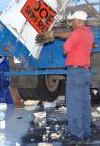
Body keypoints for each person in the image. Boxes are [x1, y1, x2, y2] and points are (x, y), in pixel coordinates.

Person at [36, 11, 94, 141]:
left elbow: (65, 49)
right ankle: (86, 134)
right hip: (85, 72)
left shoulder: (76, 33)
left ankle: (76, 136)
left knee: (74, 105)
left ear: (79, 21)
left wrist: (66, 42)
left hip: (75, 73)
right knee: (85, 104)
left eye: (73, 21)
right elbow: (72, 34)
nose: (71, 23)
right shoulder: (88, 33)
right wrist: (55, 34)